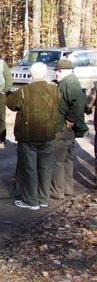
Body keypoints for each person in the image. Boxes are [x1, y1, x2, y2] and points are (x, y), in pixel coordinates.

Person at [6, 62, 59, 210]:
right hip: (48, 135)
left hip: (28, 136)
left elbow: (10, 104)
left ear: (31, 74)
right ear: (45, 74)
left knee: (29, 168)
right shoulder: (55, 90)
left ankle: (30, 201)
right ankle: (43, 198)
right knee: (45, 168)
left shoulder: (24, 91)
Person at [50, 59, 88, 199]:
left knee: (57, 161)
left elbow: (79, 103)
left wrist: (71, 119)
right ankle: (67, 189)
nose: (57, 73)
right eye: (56, 71)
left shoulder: (69, 83)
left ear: (69, 71)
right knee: (67, 159)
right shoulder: (68, 82)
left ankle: (57, 192)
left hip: (63, 128)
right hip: (67, 129)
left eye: (59, 71)